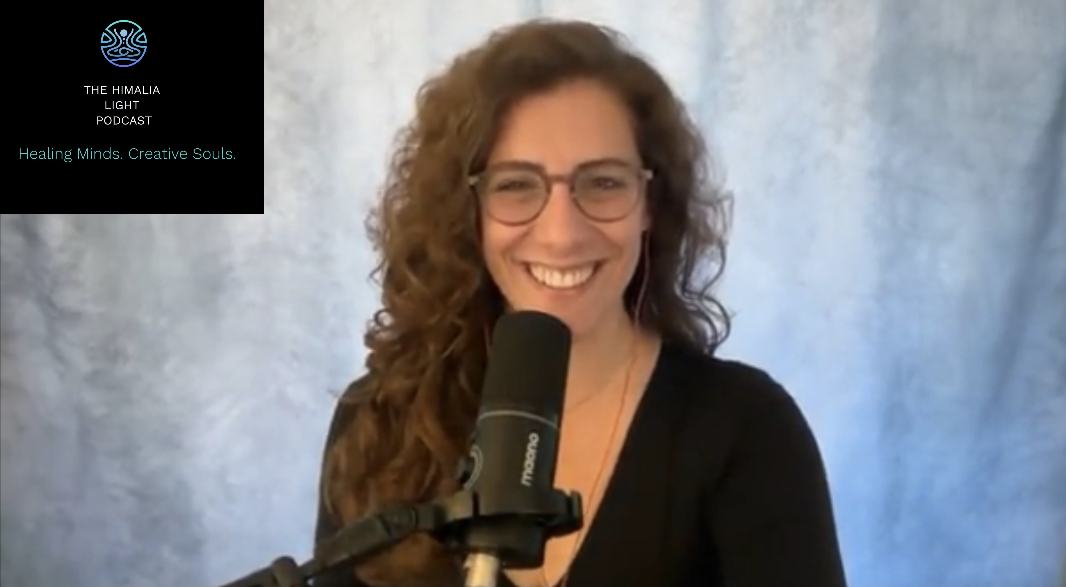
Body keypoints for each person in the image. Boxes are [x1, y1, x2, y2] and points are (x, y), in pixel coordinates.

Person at [313, 18, 848, 587]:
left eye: (603, 183)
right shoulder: (381, 422)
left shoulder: (747, 430)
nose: (563, 233)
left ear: (650, 205)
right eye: (517, 185)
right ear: (467, 213)